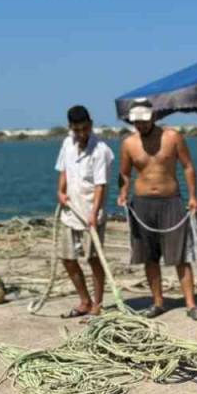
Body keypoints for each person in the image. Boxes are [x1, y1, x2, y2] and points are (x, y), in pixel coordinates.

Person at [117, 102, 197, 321]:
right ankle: (158, 302)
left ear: (154, 117)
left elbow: (188, 166)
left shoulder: (173, 137)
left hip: (171, 201)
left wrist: (193, 196)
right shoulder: (129, 143)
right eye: (136, 122)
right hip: (142, 203)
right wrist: (123, 193)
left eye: (144, 121)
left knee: (180, 256)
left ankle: (191, 304)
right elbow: (125, 174)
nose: (141, 125)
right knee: (149, 257)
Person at [54, 105, 114, 317]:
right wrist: (60, 192)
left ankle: (98, 303)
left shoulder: (101, 150)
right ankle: (84, 300)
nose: (81, 134)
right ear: (70, 127)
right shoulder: (67, 143)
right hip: (70, 211)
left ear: (91, 124)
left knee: (93, 259)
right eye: (77, 130)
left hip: (90, 212)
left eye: (85, 128)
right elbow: (64, 170)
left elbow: (101, 185)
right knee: (67, 258)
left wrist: (94, 213)